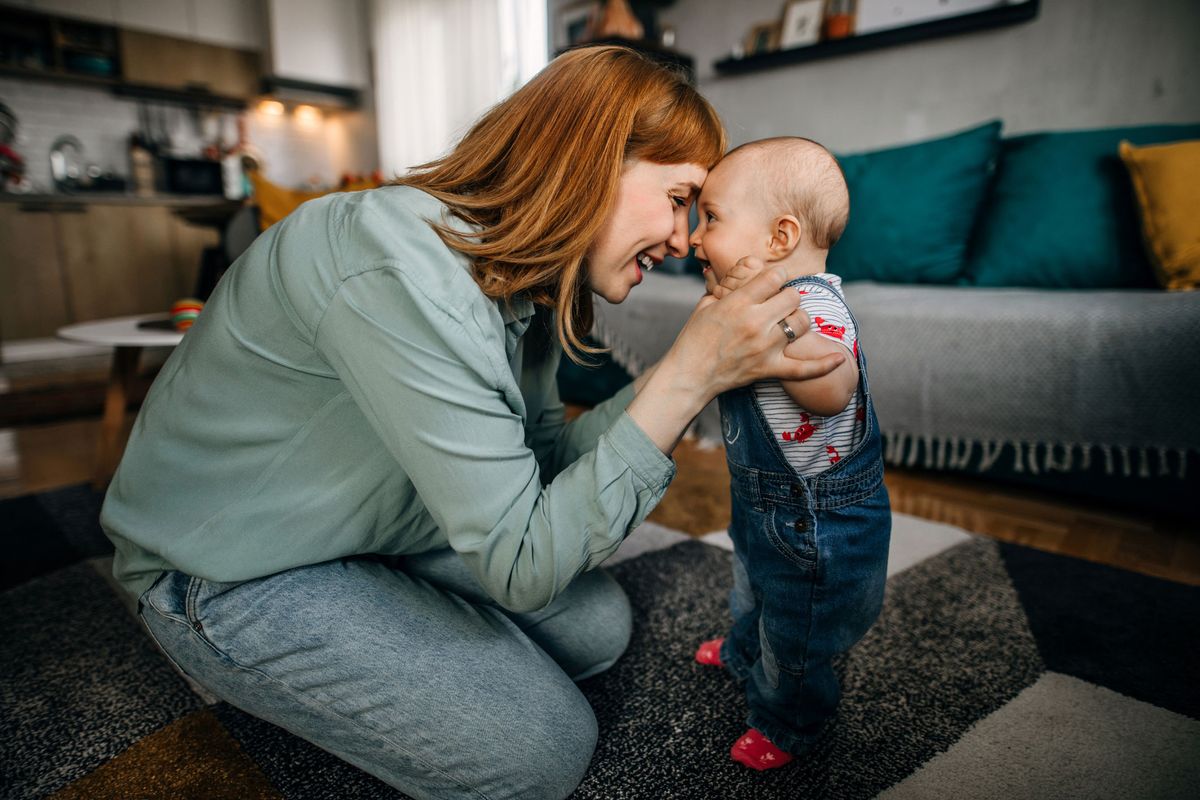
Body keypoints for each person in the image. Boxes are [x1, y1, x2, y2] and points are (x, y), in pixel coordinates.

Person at [100, 49, 845, 800]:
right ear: (591, 160)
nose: (686, 239)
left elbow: (549, 468)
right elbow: (524, 566)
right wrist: (689, 377)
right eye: (681, 197)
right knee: (539, 750)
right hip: (224, 568)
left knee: (597, 626)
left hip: (372, 526)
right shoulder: (397, 267)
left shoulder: (525, 284)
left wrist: (688, 369)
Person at [689, 137, 892, 770]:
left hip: (818, 523)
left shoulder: (816, 309)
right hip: (762, 504)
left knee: (799, 630)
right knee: (751, 586)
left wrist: (783, 323)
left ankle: (789, 720)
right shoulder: (752, 301)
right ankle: (746, 652)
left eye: (712, 218)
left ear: (780, 238)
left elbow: (832, 392)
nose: (695, 238)